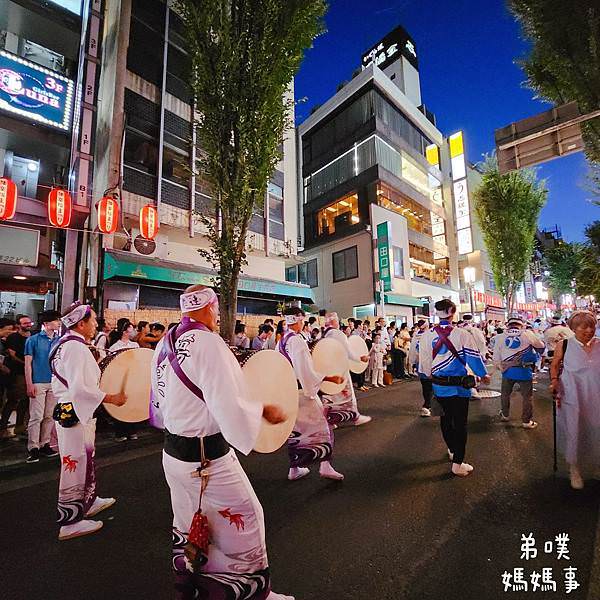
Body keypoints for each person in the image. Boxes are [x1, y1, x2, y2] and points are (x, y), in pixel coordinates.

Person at [151, 285, 293, 600]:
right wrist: (263, 411)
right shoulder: (208, 343)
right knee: (248, 516)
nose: (217, 316)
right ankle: (253, 592)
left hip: (173, 454)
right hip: (206, 458)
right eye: (216, 310)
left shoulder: (166, 341)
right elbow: (229, 401)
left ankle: (194, 584)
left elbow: (159, 395)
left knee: (189, 521)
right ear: (211, 307)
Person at [51, 302, 126, 540]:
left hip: (74, 411)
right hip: (74, 411)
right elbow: (79, 388)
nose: (96, 324)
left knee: (85, 458)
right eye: (92, 320)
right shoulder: (74, 348)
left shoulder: (67, 344)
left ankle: (88, 501)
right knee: (74, 463)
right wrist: (111, 398)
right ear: (80, 324)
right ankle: (70, 521)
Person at [419, 299, 489, 477]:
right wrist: (483, 374)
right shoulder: (462, 334)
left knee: (445, 419)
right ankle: (458, 463)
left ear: (437, 313)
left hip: (438, 385)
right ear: (452, 312)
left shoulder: (427, 335)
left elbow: (425, 364)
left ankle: (451, 449)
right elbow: (474, 359)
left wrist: (431, 375)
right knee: (460, 424)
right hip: (458, 387)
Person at [278, 307, 345, 481]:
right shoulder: (297, 341)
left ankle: (294, 468)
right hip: (303, 392)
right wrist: (328, 378)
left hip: (289, 390)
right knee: (324, 428)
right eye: (302, 320)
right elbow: (305, 371)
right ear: (298, 320)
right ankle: (325, 465)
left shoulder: (282, 340)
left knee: (296, 432)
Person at [551, 311, 600, 490]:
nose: (589, 330)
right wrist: (554, 382)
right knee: (574, 428)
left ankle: (596, 466)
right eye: (584, 326)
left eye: (592, 326)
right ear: (573, 328)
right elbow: (555, 365)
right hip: (572, 393)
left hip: (596, 393)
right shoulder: (564, 345)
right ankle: (574, 469)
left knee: (596, 429)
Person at [493, 314, 545, 429]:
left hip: (507, 371)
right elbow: (541, 347)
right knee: (527, 397)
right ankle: (526, 421)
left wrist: (501, 368)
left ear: (508, 325)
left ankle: (505, 415)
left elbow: (496, 357)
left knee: (505, 394)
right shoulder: (527, 334)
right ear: (521, 325)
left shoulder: (500, 337)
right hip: (524, 371)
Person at [320, 312, 371, 427]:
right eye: (337, 320)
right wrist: (360, 358)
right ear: (334, 322)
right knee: (348, 395)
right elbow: (347, 352)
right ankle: (355, 417)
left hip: (329, 369)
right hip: (340, 368)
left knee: (330, 397)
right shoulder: (338, 334)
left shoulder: (324, 334)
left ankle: (330, 421)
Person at [24, 311, 61, 463]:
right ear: (46, 324)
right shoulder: (33, 340)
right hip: (38, 381)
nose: (58, 323)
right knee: (36, 416)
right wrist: (29, 383)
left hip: (53, 381)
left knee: (49, 416)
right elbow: (27, 364)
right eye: (55, 320)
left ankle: (45, 443)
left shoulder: (59, 340)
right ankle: (33, 447)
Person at [0, 314, 33, 436]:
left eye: (30, 323)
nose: (28, 325)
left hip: (29, 373)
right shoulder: (14, 337)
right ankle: (3, 427)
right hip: (17, 373)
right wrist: (26, 364)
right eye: (25, 323)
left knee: (25, 401)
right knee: (14, 399)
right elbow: (12, 354)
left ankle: (20, 426)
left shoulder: (33, 337)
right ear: (19, 325)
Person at [408, 319, 433, 417]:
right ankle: (427, 405)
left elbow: (412, 350)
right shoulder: (430, 334)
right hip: (429, 363)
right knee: (430, 385)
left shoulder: (416, 334)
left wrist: (413, 362)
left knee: (425, 385)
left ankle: (427, 405)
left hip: (420, 364)